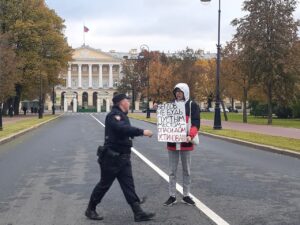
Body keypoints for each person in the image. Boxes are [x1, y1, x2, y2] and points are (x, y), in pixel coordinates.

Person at [85, 93, 155, 222]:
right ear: (121, 103)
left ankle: (138, 212)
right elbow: (123, 129)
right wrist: (142, 132)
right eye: (127, 101)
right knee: (104, 185)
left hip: (123, 157)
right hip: (112, 158)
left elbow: (124, 131)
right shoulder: (114, 116)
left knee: (128, 185)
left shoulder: (122, 115)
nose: (129, 103)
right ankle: (90, 209)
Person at [163, 83, 200, 206]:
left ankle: (186, 195)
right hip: (173, 142)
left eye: (180, 91)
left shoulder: (192, 105)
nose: (178, 93)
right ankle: (172, 196)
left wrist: (191, 135)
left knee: (187, 170)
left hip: (186, 142)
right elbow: (165, 122)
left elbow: (196, 123)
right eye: (176, 91)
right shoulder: (170, 105)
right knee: (172, 171)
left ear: (185, 92)